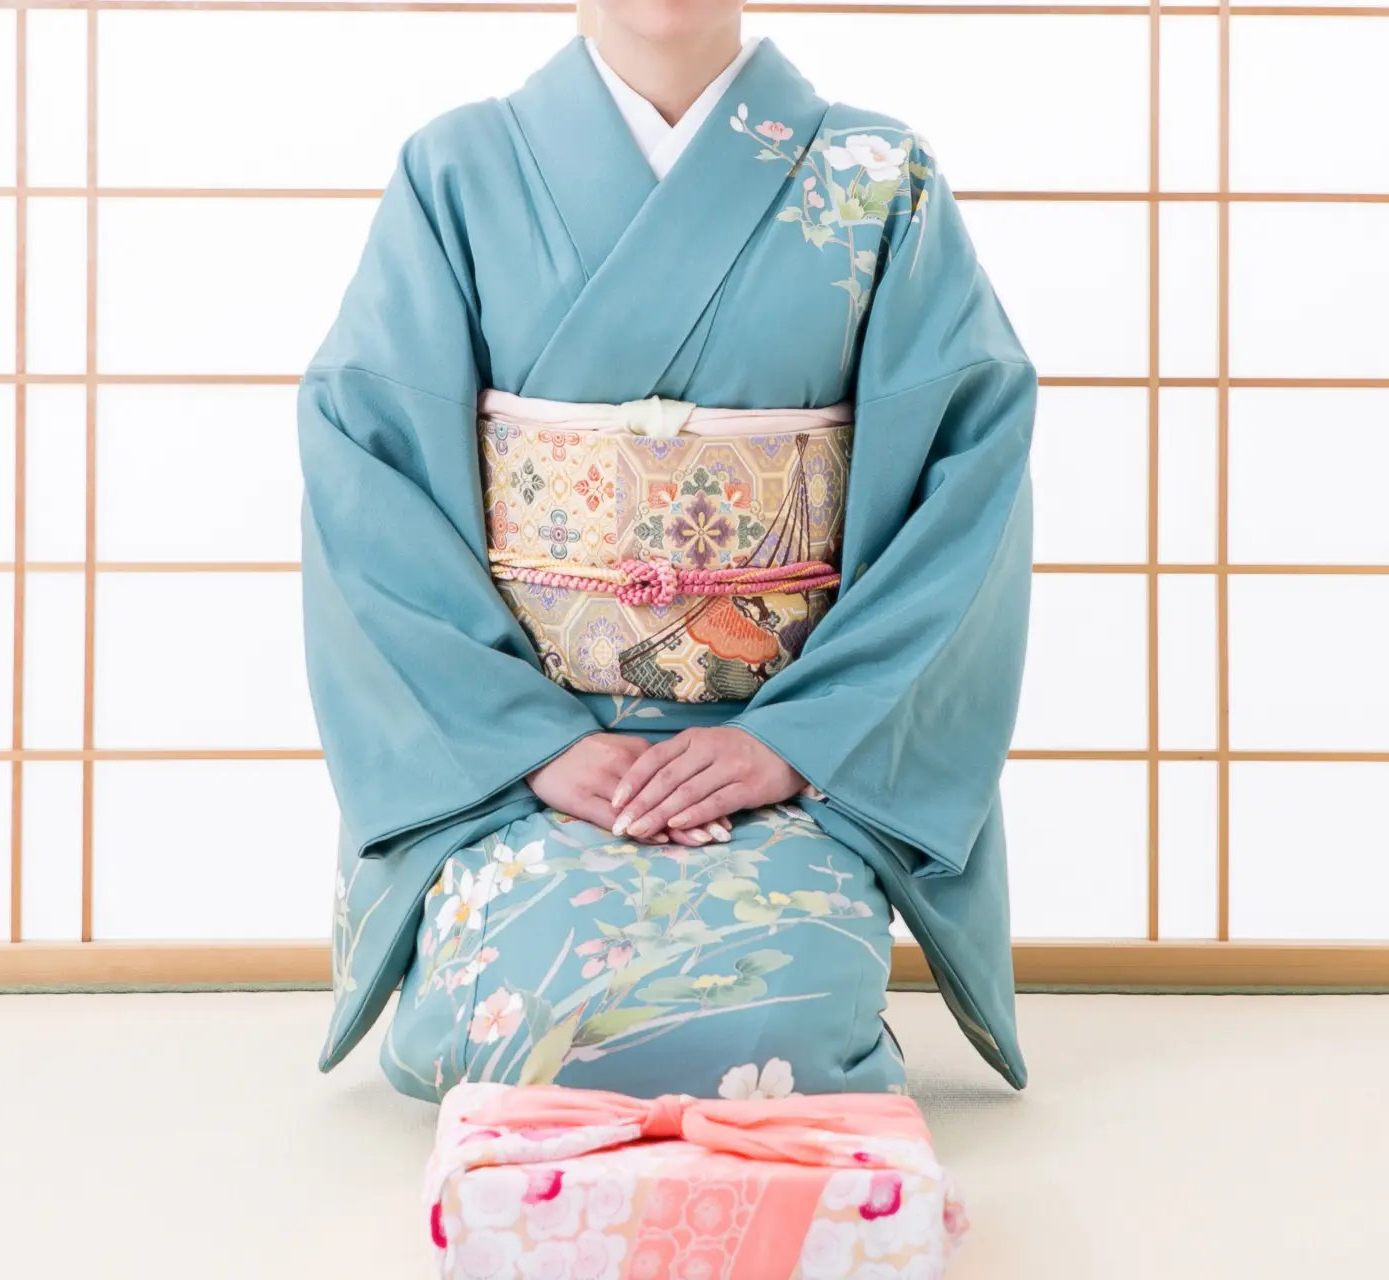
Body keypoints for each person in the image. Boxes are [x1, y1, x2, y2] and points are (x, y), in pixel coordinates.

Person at [298, 0, 1036, 1103]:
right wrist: (528, 744)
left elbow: (965, 476)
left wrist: (796, 740)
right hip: (529, 769)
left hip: (785, 763)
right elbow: (371, 473)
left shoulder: (879, 178)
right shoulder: (457, 170)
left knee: (771, 1014)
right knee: (512, 1015)